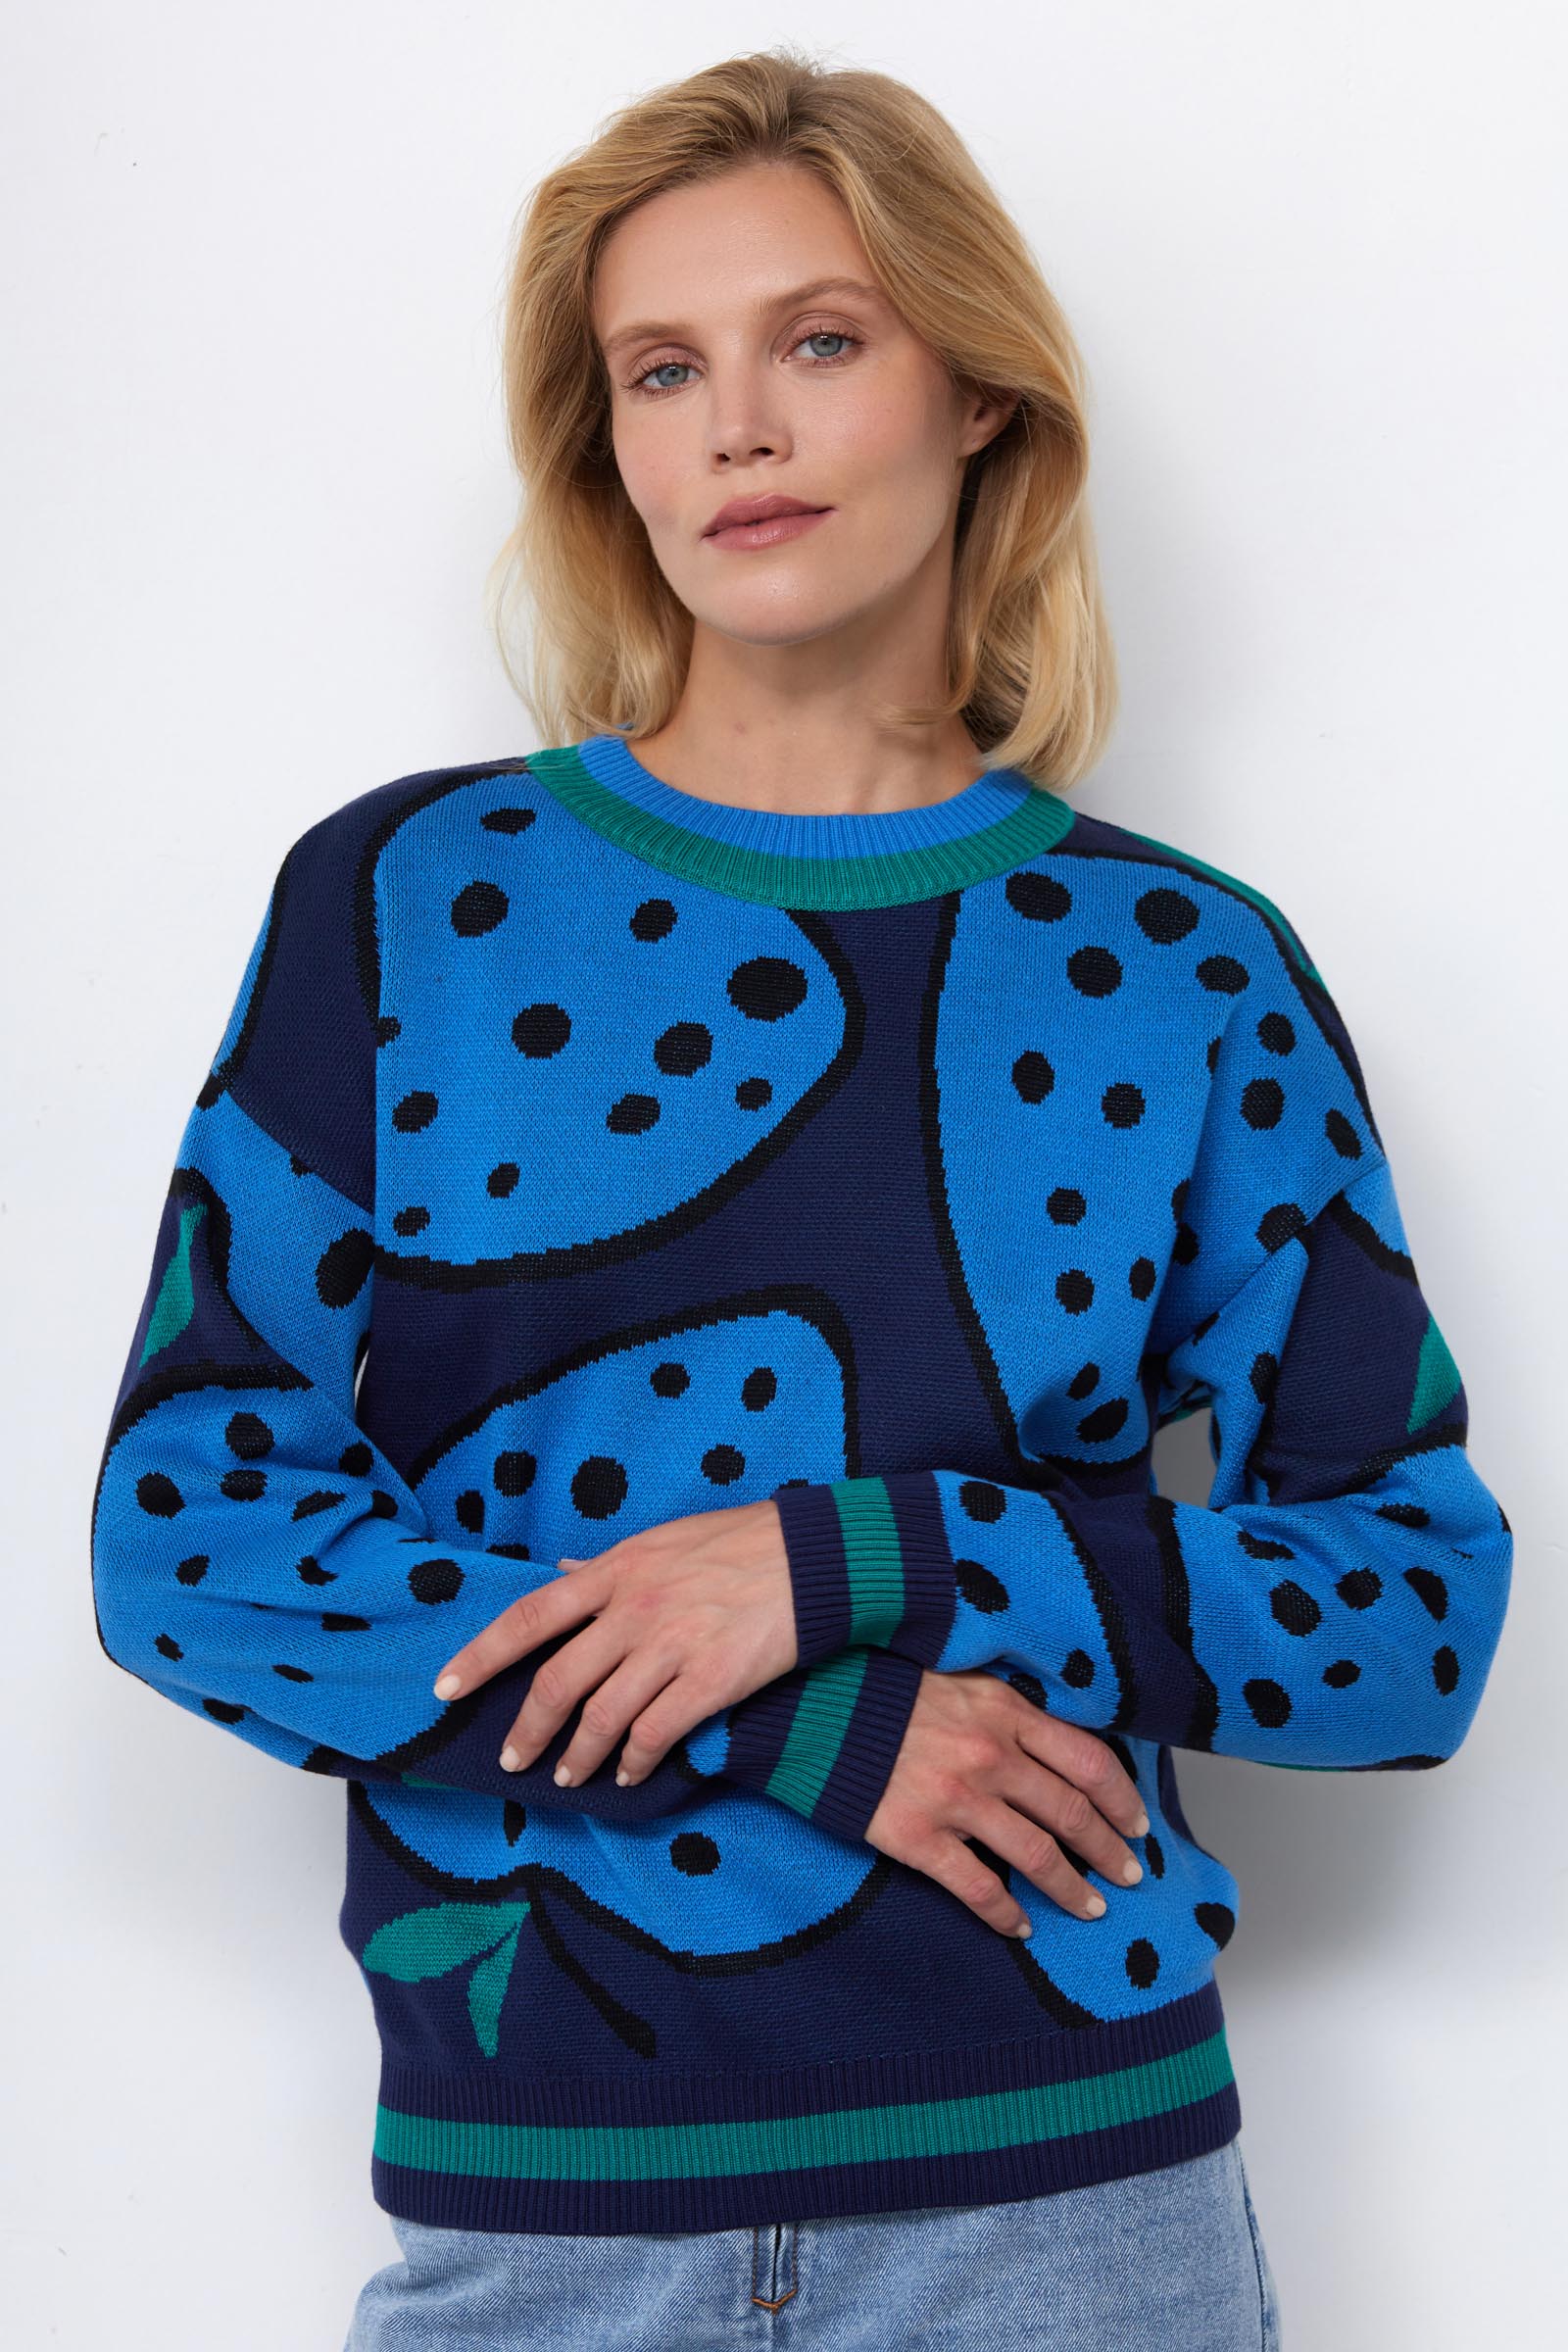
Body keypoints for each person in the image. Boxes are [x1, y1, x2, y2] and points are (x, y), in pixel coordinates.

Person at [89, 45, 1512, 2351]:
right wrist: (806, 1724)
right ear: (610, 448)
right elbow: (191, 1542)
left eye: (819, 341)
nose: (736, 430)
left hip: (1073, 2224)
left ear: (976, 395)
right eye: (662, 370)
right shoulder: (397, 902)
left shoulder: (1181, 967)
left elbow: (1404, 1617)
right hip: (546, 2229)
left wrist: (855, 1562)